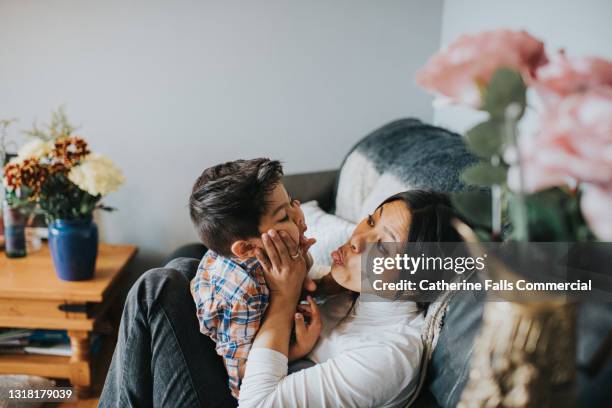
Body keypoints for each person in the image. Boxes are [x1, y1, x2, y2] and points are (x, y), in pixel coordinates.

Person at [100, 190, 463, 407]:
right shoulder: (349, 293)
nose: (357, 239)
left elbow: (258, 403)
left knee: (158, 288)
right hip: (244, 384)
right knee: (184, 270)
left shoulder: (389, 355)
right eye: (370, 219)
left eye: (383, 245)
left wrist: (284, 297)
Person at [188, 158, 325, 398]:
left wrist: (302, 264)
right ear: (247, 249)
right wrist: (296, 350)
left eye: (292, 202)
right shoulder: (243, 293)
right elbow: (239, 370)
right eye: (284, 217)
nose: (299, 213)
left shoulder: (274, 252)